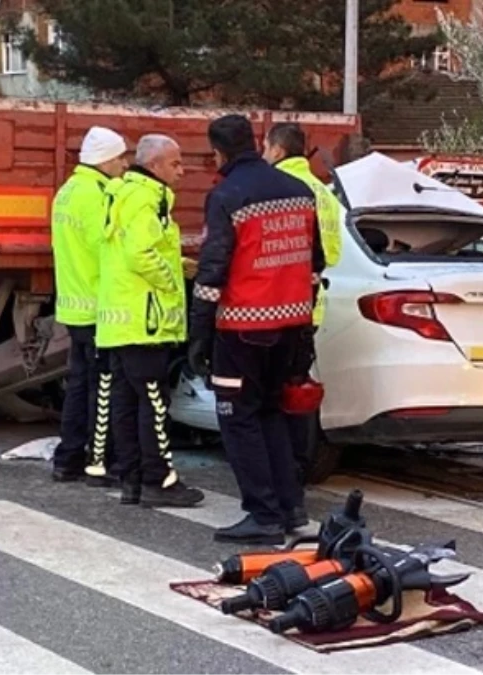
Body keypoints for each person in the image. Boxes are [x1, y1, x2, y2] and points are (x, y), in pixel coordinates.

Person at [188, 114, 324, 545]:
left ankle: (263, 514)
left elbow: (212, 272)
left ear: (218, 152)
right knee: (273, 415)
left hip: (242, 327)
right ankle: (291, 509)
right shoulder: (299, 191)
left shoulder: (226, 195)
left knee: (238, 419)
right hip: (294, 324)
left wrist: (199, 336)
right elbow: (316, 261)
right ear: (256, 143)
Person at [96, 134, 204, 509]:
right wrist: (172, 281)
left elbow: (139, 250)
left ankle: (133, 480)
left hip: (120, 318)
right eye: (175, 163)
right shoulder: (147, 198)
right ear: (155, 165)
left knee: (127, 403)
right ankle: (159, 480)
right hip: (145, 320)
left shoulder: (122, 193)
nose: (182, 170)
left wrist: (183, 266)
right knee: (155, 404)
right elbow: (141, 253)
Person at [262, 122, 341, 497]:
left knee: (272, 393)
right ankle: (300, 465)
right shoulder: (323, 193)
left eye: (266, 148)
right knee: (300, 390)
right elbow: (334, 254)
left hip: (277, 304)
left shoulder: (275, 189)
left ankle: (283, 472)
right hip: (313, 305)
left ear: (277, 150)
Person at [50, 126, 128, 485]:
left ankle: (68, 457)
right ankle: (98, 463)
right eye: (121, 158)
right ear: (107, 160)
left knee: (80, 385)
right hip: (99, 308)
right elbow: (108, 247)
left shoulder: (67, 191)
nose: (125, 166)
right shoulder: (98, 195)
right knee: (102, 390)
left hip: (73, 305)